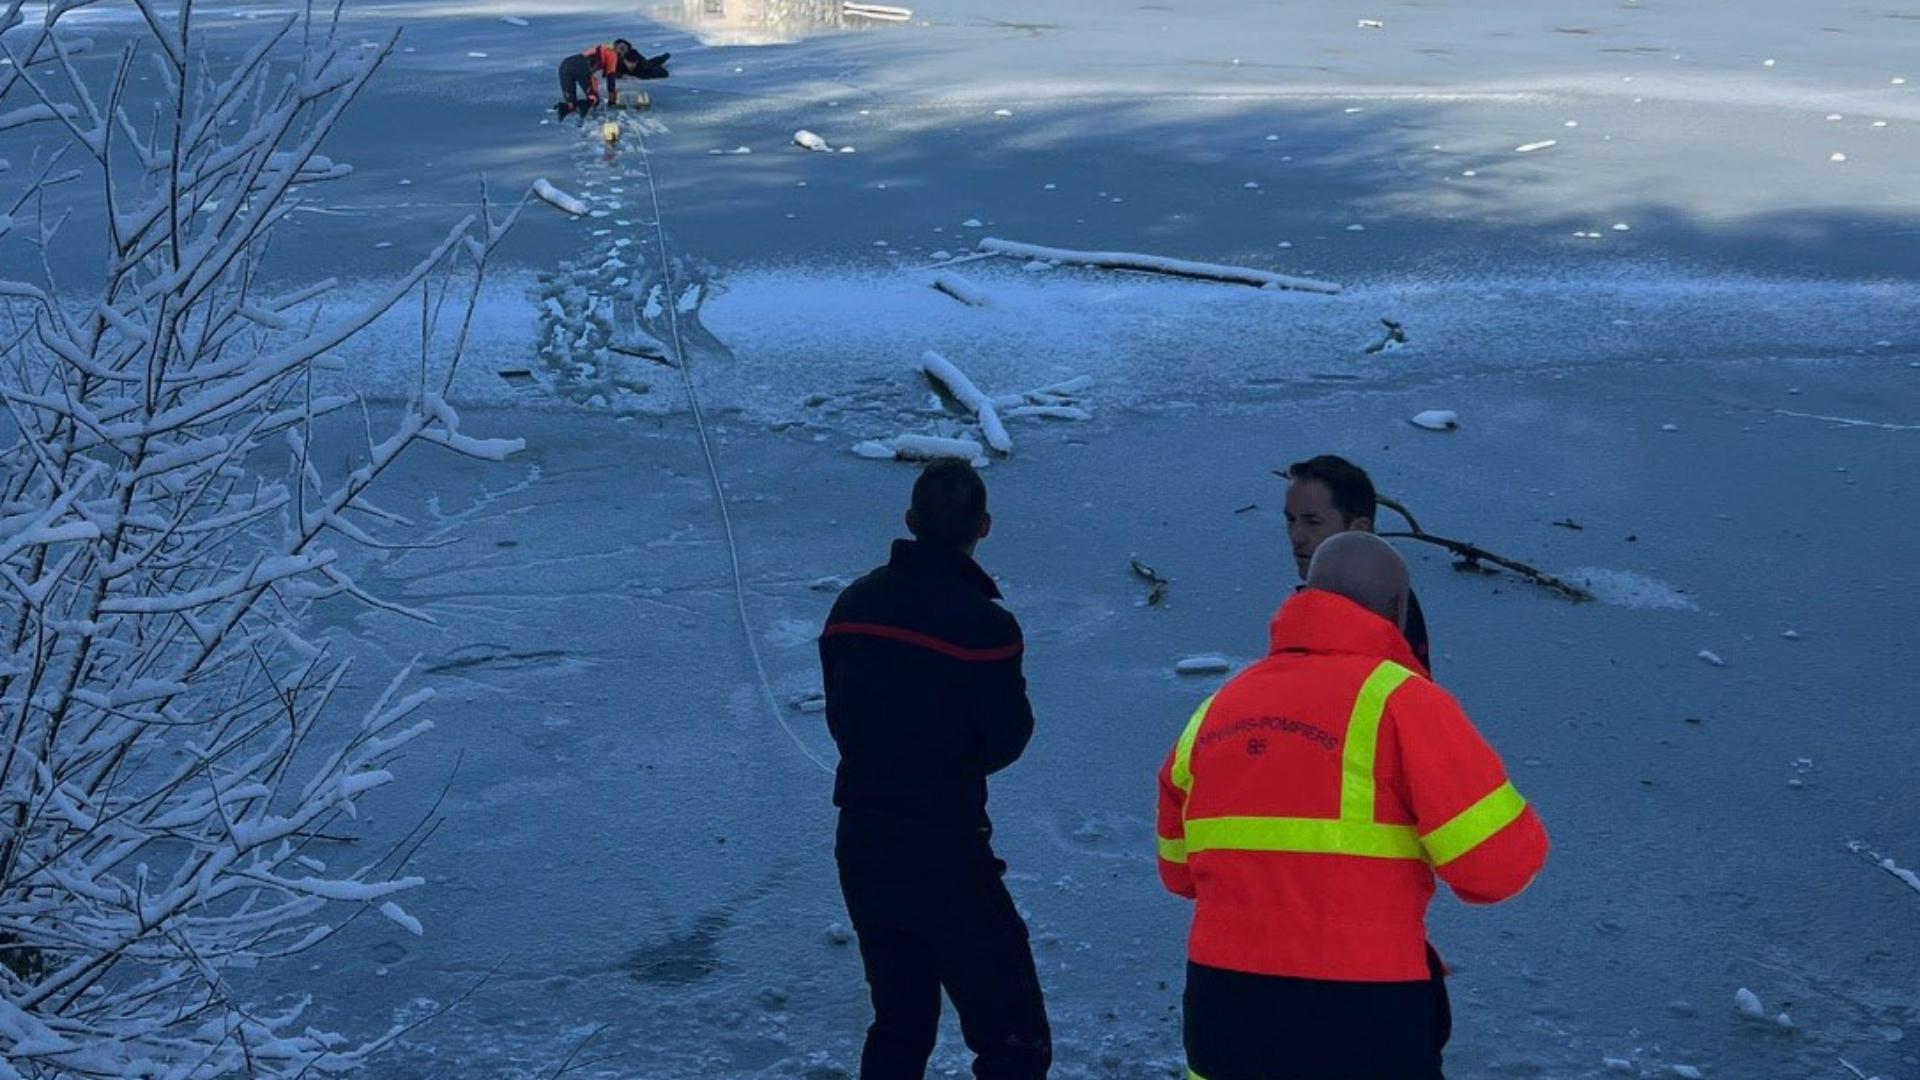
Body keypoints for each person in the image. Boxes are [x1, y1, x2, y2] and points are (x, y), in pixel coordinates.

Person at [1156, 532, 1548, 1080]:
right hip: (1362, 1006)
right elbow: (1497, 869)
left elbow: (1179, 873)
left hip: (1222, 1003)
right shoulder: (1404, 703)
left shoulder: (1216, 710)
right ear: (1397, 609)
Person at [818, 461, 1052, 1080]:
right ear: (984, 527)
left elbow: (840, 719)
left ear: (911, 522)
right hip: (945, 850)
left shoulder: (852, 606)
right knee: (1015, 1040)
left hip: (862, 845)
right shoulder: (985, 626)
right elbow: (1007, 739)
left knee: (900, 1024)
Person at [1283, 454, 1432, 672]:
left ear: (1359, 528)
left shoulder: (1378, 609)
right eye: (1291, 519)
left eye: (1313, 522)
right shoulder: (1390, 595)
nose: (1296, 536)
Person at [554, 40, 671, 119]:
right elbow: (609, 78)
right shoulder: (612, 56)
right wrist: (611, 100)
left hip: (566, 64)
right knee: (593, 99)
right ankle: (574, 106)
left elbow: (652, 65)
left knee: (575, 99)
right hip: (578, 65)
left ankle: (570, 106)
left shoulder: (634, 61)